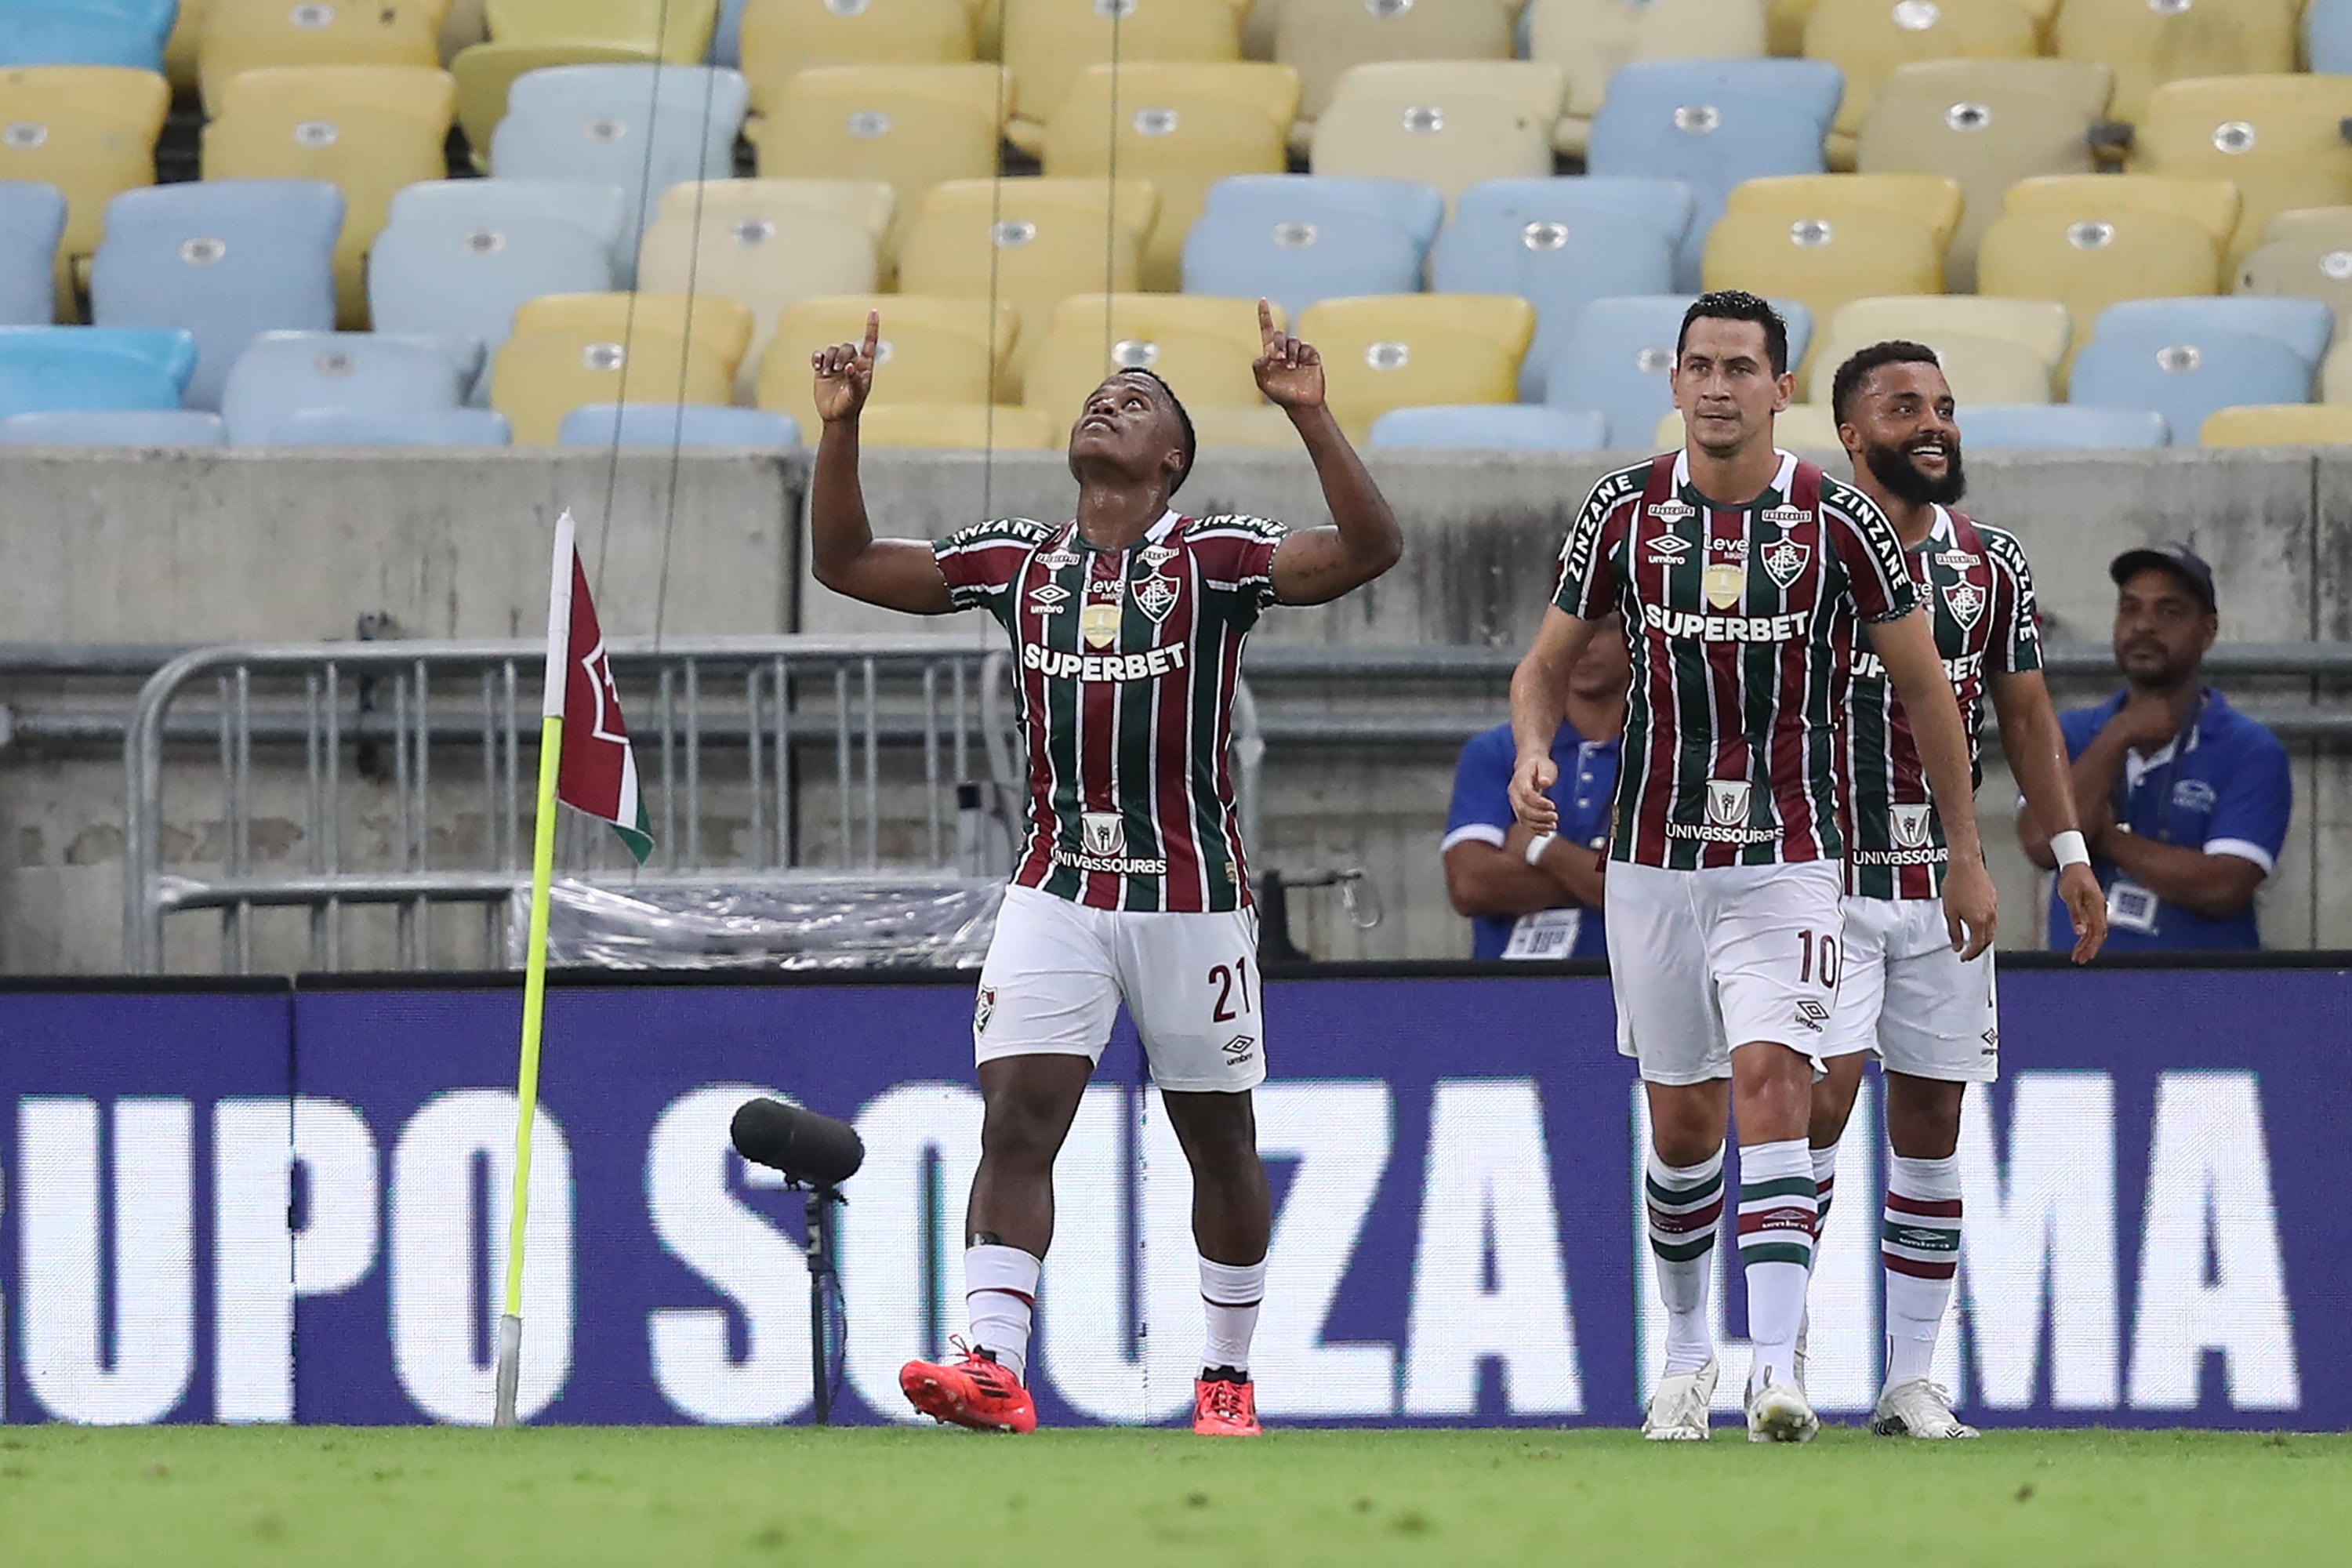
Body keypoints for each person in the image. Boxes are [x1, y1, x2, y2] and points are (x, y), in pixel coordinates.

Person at [807, 305, 1401, 1438]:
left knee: (1218, 1142)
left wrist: (1312, 414)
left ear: (1171, 459)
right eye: (1097, 398)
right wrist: (842, 427)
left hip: (1191, 894)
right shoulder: (1019, 561)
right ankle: (993, 1363)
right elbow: (844, 563)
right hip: (1058, 886)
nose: (1106, 405)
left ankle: (1225, 1374)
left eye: (1135, 403)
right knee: (1015, 1122)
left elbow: (1370, 550)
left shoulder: (1215, 556)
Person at [1510, 290, 1997, 1445]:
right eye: (1700, 366)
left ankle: (1775, 1370)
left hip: (1793, 851)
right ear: (1676, 383)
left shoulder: (1839, 519)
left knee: (1775, 1079)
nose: (1718, 386)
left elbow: (1926, 688)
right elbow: (1544, 665)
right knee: (1683, 1124)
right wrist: (1533, 747)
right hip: (1651, 858)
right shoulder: (1622, 510)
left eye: (1741, 367)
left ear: (1781, 389)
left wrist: (1965, 853)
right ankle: (1687, 1354)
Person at [1807, 342, 2109, 1440]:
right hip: (1819, 873)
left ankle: (1912, 1381)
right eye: (1904, 407)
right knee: (1817, 1108)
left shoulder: (1991, 562)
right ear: (1852, 434)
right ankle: (1778, 1365)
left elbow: (2024, 714)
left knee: (1932, 1120)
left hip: (1944, 880)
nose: (1933, 423)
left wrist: (2070, 853)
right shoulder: (1804, 547)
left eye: (1942, 405)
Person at [2018, 543, 2292, 951]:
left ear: (2208, 631)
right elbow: (2043, 844)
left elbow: (2223, 886)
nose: (2144, 625)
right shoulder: (2068, 733)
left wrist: (2107, 839)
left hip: (2207, 986)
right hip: (2081, 984)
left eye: (2169, 611)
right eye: (2130, 608)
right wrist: (2117, 736)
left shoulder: (2250, 749)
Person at [1442, 617, 1628, 960]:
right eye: (1574, 629)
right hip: (1512, 986)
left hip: (1623, 983)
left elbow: (1671, 897)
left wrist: (1542, 849)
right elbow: (1471, 886)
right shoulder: (1496, 750)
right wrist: (1600, 881)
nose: (1583, 645)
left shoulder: (1668, 756)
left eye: (1603, 629)